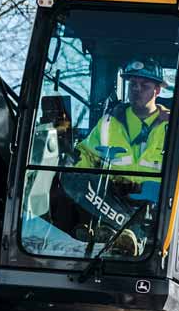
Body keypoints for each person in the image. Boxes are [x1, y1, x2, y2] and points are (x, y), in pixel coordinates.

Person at [73, 58, 172, 255]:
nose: (137, 89)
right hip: (110, 201)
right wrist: (75, 177)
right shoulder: (109, 123)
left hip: (154, 210)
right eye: (132, 84)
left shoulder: (174, 127)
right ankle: (112, 236)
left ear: (157, 91)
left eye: (144, 85)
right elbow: (86, 156)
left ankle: (127, 238)